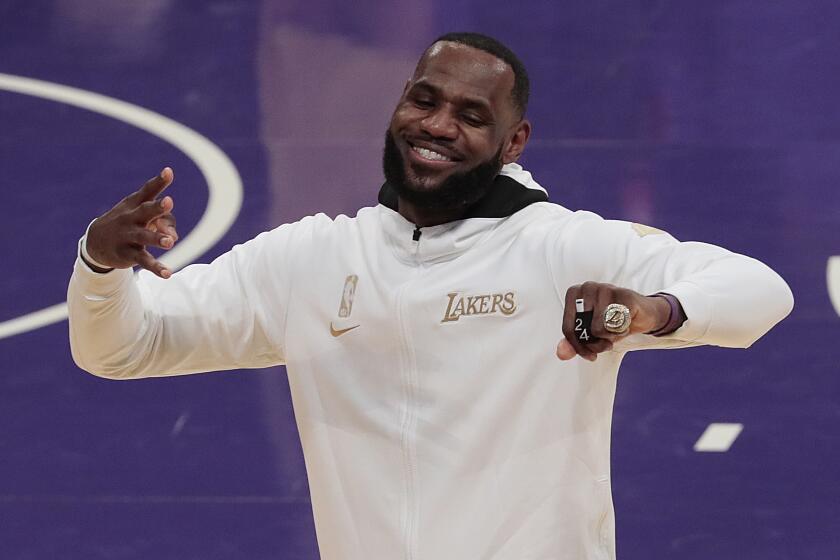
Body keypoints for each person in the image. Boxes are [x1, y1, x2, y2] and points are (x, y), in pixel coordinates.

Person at [68, 32, 793, 560]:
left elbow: (763, 292)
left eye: (472, 116)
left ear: (515, 143)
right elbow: (122, 348)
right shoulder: (311, 258)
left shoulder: (560, 248)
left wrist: (648, 312)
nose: (438, 126)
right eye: (425, 99)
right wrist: (100, 267)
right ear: (399, 105)